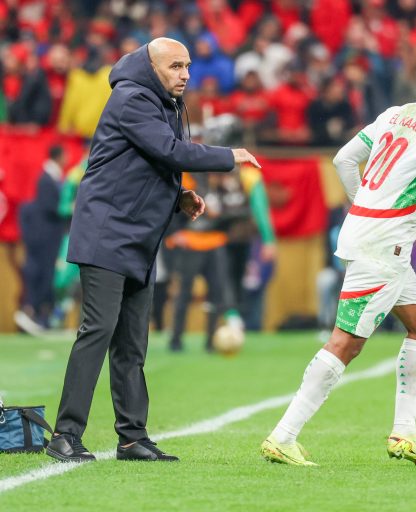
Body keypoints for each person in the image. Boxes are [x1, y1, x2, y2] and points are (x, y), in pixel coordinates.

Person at [261, 69, 416, 466]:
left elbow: (343, 159)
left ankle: (404, 433)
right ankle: (283, 436)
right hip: (383, 248)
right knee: (346, 342)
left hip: (372, 239)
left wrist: (363, 207)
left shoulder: (399, 112)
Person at [46, 38, 260, 464]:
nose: (185, 74)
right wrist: (228, 155)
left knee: (132, 342)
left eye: (188, 66)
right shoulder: (132, 98)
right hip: (107, 233)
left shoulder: (164, 103)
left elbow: (140, 166)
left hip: (137, 237)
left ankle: (132, 438)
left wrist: (179, 196)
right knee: (98, 331)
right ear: (151, 66)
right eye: (175, 66)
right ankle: (65, 436)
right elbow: (169, 150)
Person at [15, 145, 68, 333]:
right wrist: (69, 209)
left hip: (50, 236)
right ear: (59, 156)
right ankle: (32, 312)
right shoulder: (46, 179)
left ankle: (41, 316)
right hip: (45, 236)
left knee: (47, 275)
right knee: (40, 274)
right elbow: (50, 207)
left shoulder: (54, 177)